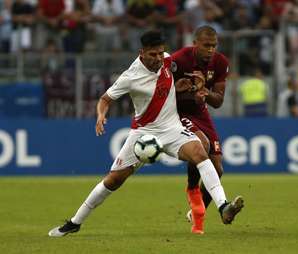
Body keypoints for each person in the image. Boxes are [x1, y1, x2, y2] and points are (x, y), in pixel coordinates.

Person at [48, 30, 244, 237]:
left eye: (161, 53)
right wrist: (100, 116)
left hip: (172, 128)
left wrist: (181, 87)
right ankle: (75, 222)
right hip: (143, 133)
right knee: (113, 180)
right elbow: (105, 99)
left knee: (200, 153)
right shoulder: (130, 76)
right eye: (153, 55)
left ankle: (223, 206)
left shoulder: (168, 62)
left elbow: (172, 84)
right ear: (142, 53)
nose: (159, 58)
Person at [170, 25, 231, 234]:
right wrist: (185, 93)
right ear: (195, 44)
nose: (211, 49)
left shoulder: (221, 63)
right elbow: (163, 94)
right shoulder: (178, 60)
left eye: (214, 45)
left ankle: (196, 211)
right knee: (201, 144)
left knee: (218, 169)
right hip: (177, 113)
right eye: (206, 45)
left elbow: (218, 102)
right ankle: (192, 189)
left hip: (201, 112)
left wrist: (205, 92)